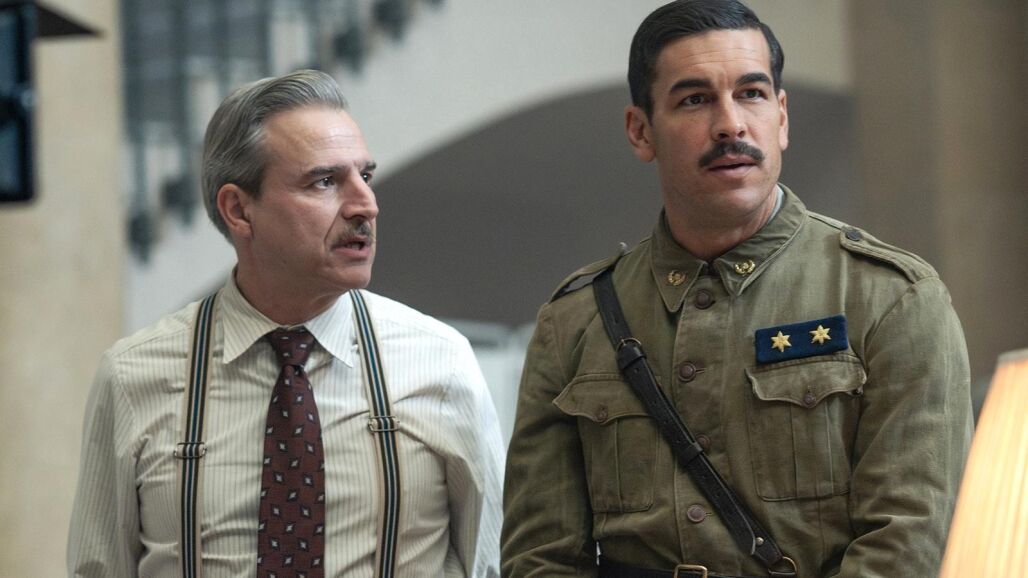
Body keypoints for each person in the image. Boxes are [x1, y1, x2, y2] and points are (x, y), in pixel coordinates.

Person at [500, 1, 972, 577]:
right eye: (694, 100)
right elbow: (540, 557)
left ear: (782, 117)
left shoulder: (890, 299)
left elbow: (906, 544)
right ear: (641, 131)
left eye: (751, 93)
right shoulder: (577, 320)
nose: (730, 125)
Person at [68, 69, 504, 577]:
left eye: (365, 176)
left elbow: (492, 564)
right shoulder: (133, 376)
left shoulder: (440, 362)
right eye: (325, 181)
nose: (366, 204)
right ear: (238, 209)